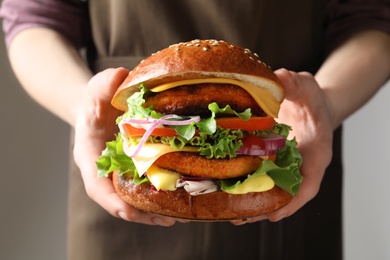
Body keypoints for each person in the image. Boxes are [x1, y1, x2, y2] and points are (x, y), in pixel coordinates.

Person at [1, 0, 389, 259]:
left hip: (293, 142)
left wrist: (326, 103)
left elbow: (372, 17)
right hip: (117, 196)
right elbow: (34, 17)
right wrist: (85, 106)